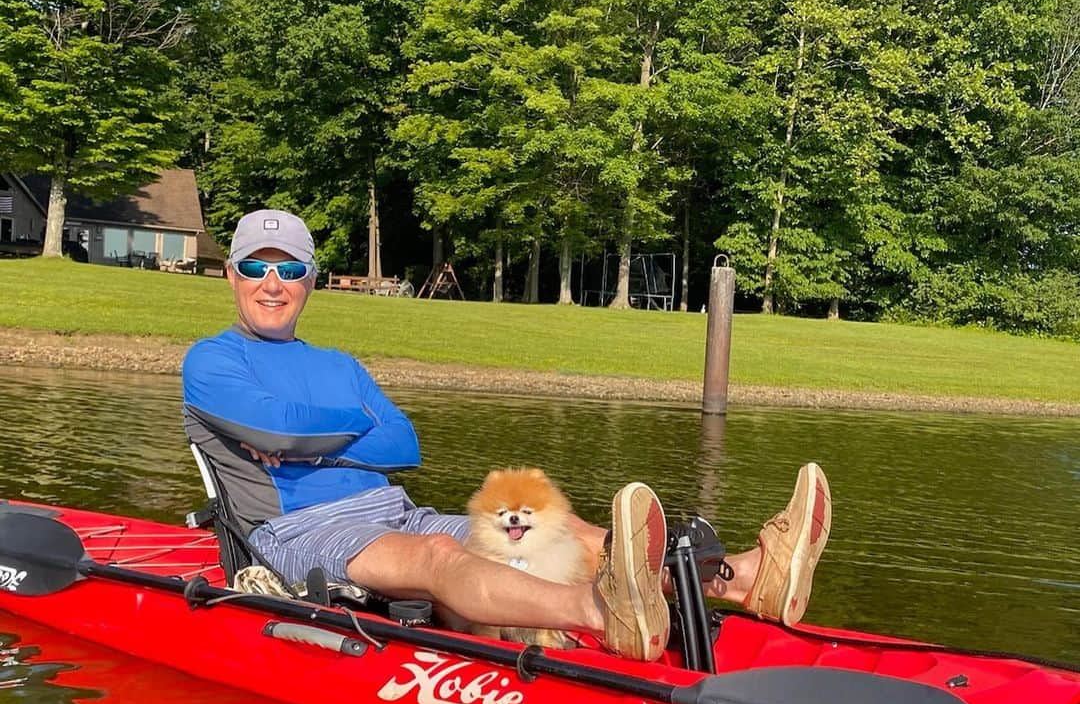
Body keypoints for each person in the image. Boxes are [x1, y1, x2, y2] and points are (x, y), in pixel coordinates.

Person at [182, 209, 832, 663]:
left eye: (289, 269)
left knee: (552, 526)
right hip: (304, 533)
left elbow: (402, 443)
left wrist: (311, 437)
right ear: (232, 274)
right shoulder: (212, 360)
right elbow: (275, 427)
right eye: (256, 267)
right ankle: (601, 612)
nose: (274, 284)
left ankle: (747, 579)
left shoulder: (339, 366)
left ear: (311, 279)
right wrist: (342, 428)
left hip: (392, 512)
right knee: (440, 557)